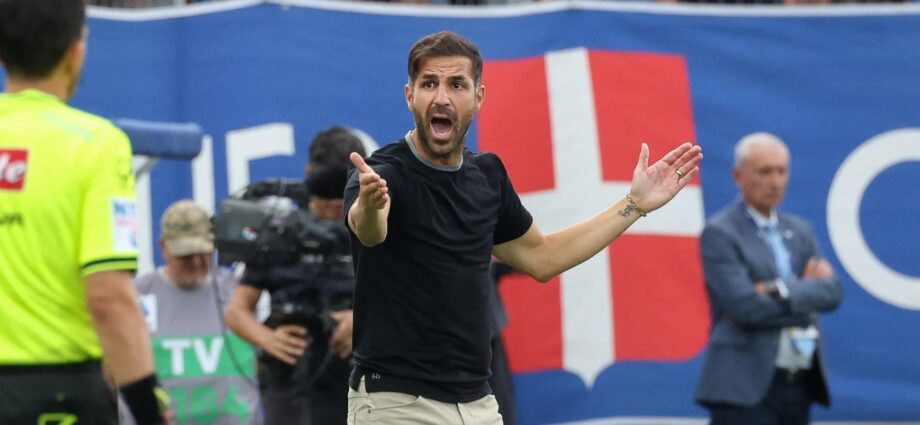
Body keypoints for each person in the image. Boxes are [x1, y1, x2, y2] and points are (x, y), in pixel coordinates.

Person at [344, 30, 703, 424]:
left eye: (457, 84)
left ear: (478, 97)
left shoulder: (487, 175)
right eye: (429, 83)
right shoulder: (382, 174)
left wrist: (634, 206)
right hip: (396, 403)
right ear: (409, 95)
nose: (442, 97)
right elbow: (369, 231)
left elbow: (542, 257)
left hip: (477, 405)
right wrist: (373, 205)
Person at [0, 0, 168, 424]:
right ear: (75, 52)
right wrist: (149, 409)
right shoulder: (95, 144)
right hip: (56, 392)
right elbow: (108, 298)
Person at [694, 132, 843, 425]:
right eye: (764, 172)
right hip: (742, 387)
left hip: (798, 382)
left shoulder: (800, 231)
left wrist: (777, 291)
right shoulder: (720, 232)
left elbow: (832, 292)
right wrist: (805, 294)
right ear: (738, 176)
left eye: (781, 171)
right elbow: (744, 306)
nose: (775, 182)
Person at [225, 127, 366, 425]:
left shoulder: (373, 230)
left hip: (359, 381)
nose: (335, 201)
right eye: (326, 189)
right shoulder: (281, 233)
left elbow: (412, 303)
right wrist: (267, 338)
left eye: (343, 187)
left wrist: (364, 321)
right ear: (310, 175)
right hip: (291, 383)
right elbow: (237, 310)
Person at [120, 200, 261, 425]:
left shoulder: (241, 292)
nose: (195, 262)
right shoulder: (137, 296)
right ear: (163, 246)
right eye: (185, 254)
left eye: (202, 252)